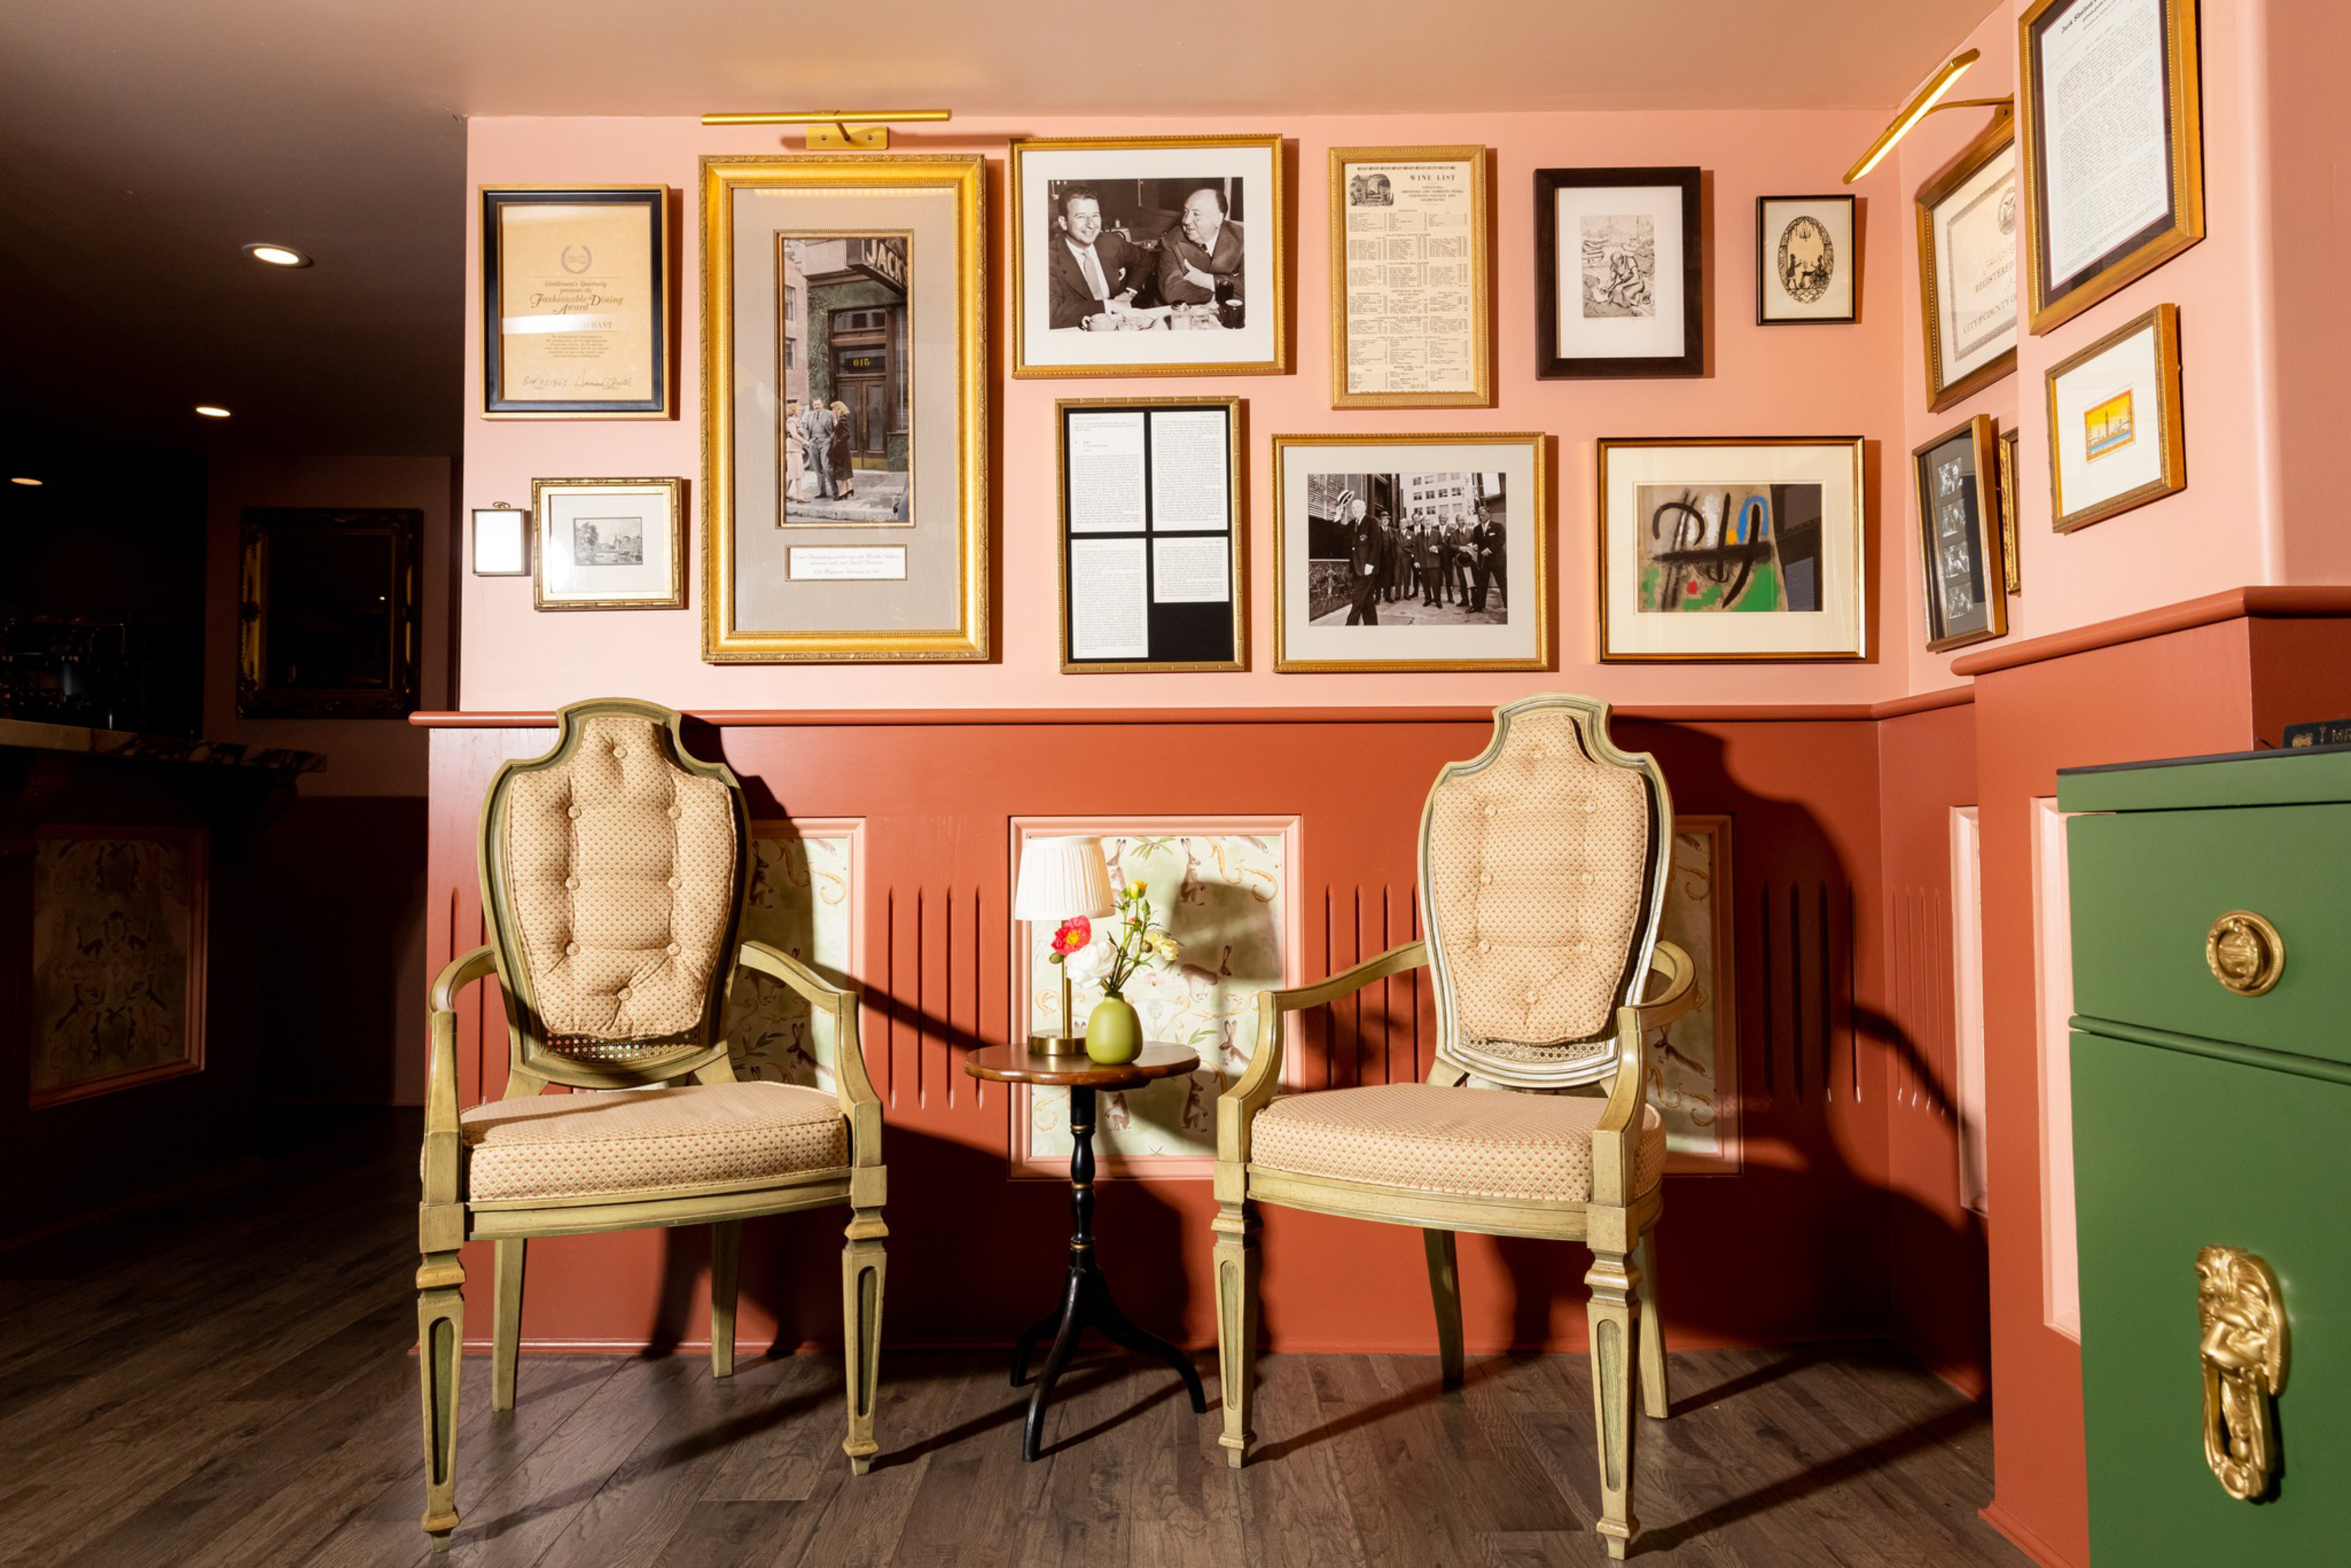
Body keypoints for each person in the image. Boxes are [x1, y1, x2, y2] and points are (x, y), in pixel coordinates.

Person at [1046, 191, 1150, 329]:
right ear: (1064, 223)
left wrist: (1129, 293)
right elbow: (1051, 312)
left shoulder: (1112, 243)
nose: (1091, 225)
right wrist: (1109, 305)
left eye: (1095, 216)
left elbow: (1145, 259)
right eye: (1081, 217)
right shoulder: (1048, 258)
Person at [1157, 187, 1243, 307]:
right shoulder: (1172, 240)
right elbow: (1172, 290)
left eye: (1196, 214)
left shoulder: (1243, 239)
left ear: (1218, 219)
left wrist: (1207, 280)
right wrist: (1224, 290)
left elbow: (1254, 287)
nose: (1186, 221)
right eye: (1186, 212)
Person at [1341, 492, 1384, 626]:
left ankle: (1350, 626)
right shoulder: (1351, 524)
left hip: (1367, 568)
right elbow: (1337, 534)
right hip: (1356, 568)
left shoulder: (1372, 522)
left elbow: (1376, 545)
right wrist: (1338, 515)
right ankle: (1372, 625)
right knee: (1367, 599)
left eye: (1358, 507)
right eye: (1353, 508)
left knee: (1357, 599)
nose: (1355, 510)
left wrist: (1370, 564)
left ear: (1364, 508)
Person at [1470, 509, 1505, 614]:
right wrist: (1475, 546)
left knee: (1502, 583)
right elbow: (1476, 541)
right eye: (1480, 515)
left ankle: (1510, 605)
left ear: (1489, 514)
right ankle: (1479, 606)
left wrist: (1489, 550)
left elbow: (1501, 541)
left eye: (1483, 515)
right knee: (1481, 584)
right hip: (1483, 562)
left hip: (1497, 561)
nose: (1481, 517)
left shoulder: (1498, 526)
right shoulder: (1477, 529)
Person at [801, 401, 837, 500]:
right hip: (813, 443)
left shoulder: (830, 414)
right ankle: (822, 492)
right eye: (815, 405)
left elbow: (836, 428)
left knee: (826, 467)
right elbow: (805, 428)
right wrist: (808, 439)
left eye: (818, 405)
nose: (817, 407)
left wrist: (830, 439)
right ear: (813, 406)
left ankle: (835, 491)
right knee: (817, 468)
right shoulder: (810, 415)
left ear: (823, 405)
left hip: (825, 442)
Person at [828, 400, 857, 500]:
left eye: (833, 409)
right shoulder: (840, 419)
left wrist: (838, 443)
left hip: (842, 449)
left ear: (838, 409)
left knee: (842, 470)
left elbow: (847, 434)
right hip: (841, 448)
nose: (832, 411)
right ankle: (849, 487)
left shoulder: (843, 419)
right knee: (843, 468)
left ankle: (843, 491)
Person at [782, 400, 805, 504]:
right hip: (793, 449)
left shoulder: (797, 420)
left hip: (797, 449)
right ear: (793, 410)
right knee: (798, 473)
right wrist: (805, 442)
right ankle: (799, 495)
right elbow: (794, 435)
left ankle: (785, 493)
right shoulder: (791, 421)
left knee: (793, 472)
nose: (800, 410)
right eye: (798, 409)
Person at [1418, 520, 1445, 607]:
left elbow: (1443, 545)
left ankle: (1438, 600)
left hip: (1434, 563)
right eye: (1425, 521)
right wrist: (1416, 561)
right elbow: (1416, 549)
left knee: (1436, 583)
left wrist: (1436, 548)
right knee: (1425, 583)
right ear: (1422, 523)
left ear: (1432, 523)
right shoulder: (1419, 534)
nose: (1427, 522)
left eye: (1429, 521)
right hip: (1423, 563)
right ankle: (1428, 599)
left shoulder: (1437, 533)